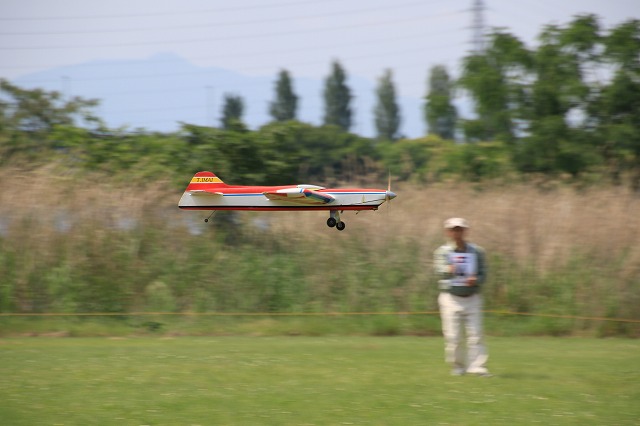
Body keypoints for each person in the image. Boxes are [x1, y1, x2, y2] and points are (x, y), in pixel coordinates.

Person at [433, 217, 490, 376]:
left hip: (472, 297)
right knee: (453, 336)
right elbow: (438, 271)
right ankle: (458, 367)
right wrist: (449, 269)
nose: (457, 233)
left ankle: (477, 367)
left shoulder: (477, 251)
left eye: (460, 229)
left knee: (476, 334)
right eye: (453, 230)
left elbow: (484, 273)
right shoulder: (442, 252)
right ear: (448, 232)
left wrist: (476, 280)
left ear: (465, 231)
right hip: (451, 298)